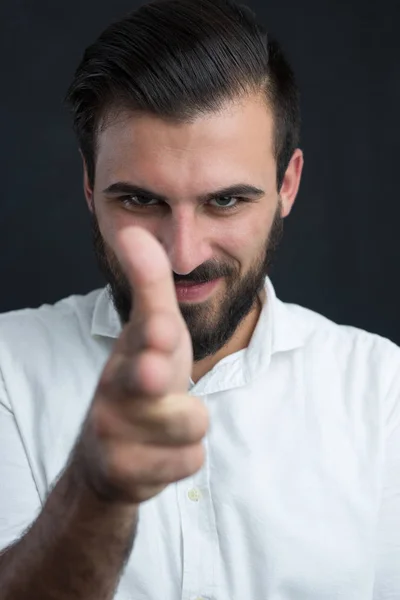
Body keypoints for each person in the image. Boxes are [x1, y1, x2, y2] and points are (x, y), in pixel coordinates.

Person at [0, 0, 399, 598]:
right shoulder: (6, 369)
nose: (183, 255)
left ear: (286, 185)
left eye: (227, 201)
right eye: (139, 200)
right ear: (89, 186)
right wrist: (95, 493)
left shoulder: (384, 392)